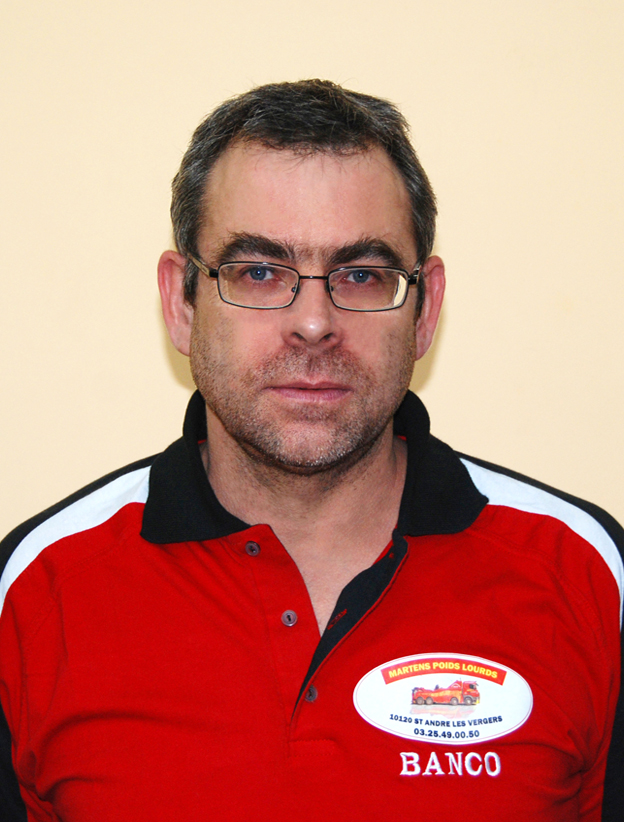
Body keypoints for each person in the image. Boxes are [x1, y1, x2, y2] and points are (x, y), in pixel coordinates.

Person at [0, 80, 622, 822]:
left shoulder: (586, 573)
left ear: (424, 310)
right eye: (259, 272)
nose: (315, 324)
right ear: (181, 301)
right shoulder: (35, 591)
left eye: (362, 275)